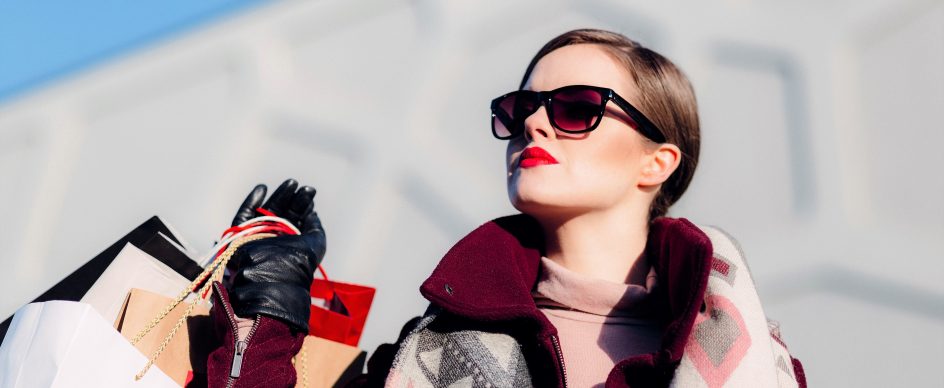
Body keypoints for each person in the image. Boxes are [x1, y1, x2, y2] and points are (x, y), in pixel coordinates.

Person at [204, 29, 807, 388]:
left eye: (576, 107)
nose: (536, 123)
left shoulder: (757, 362)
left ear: (657, 162)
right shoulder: (426, 355)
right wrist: (268, 307)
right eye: (521, 110)